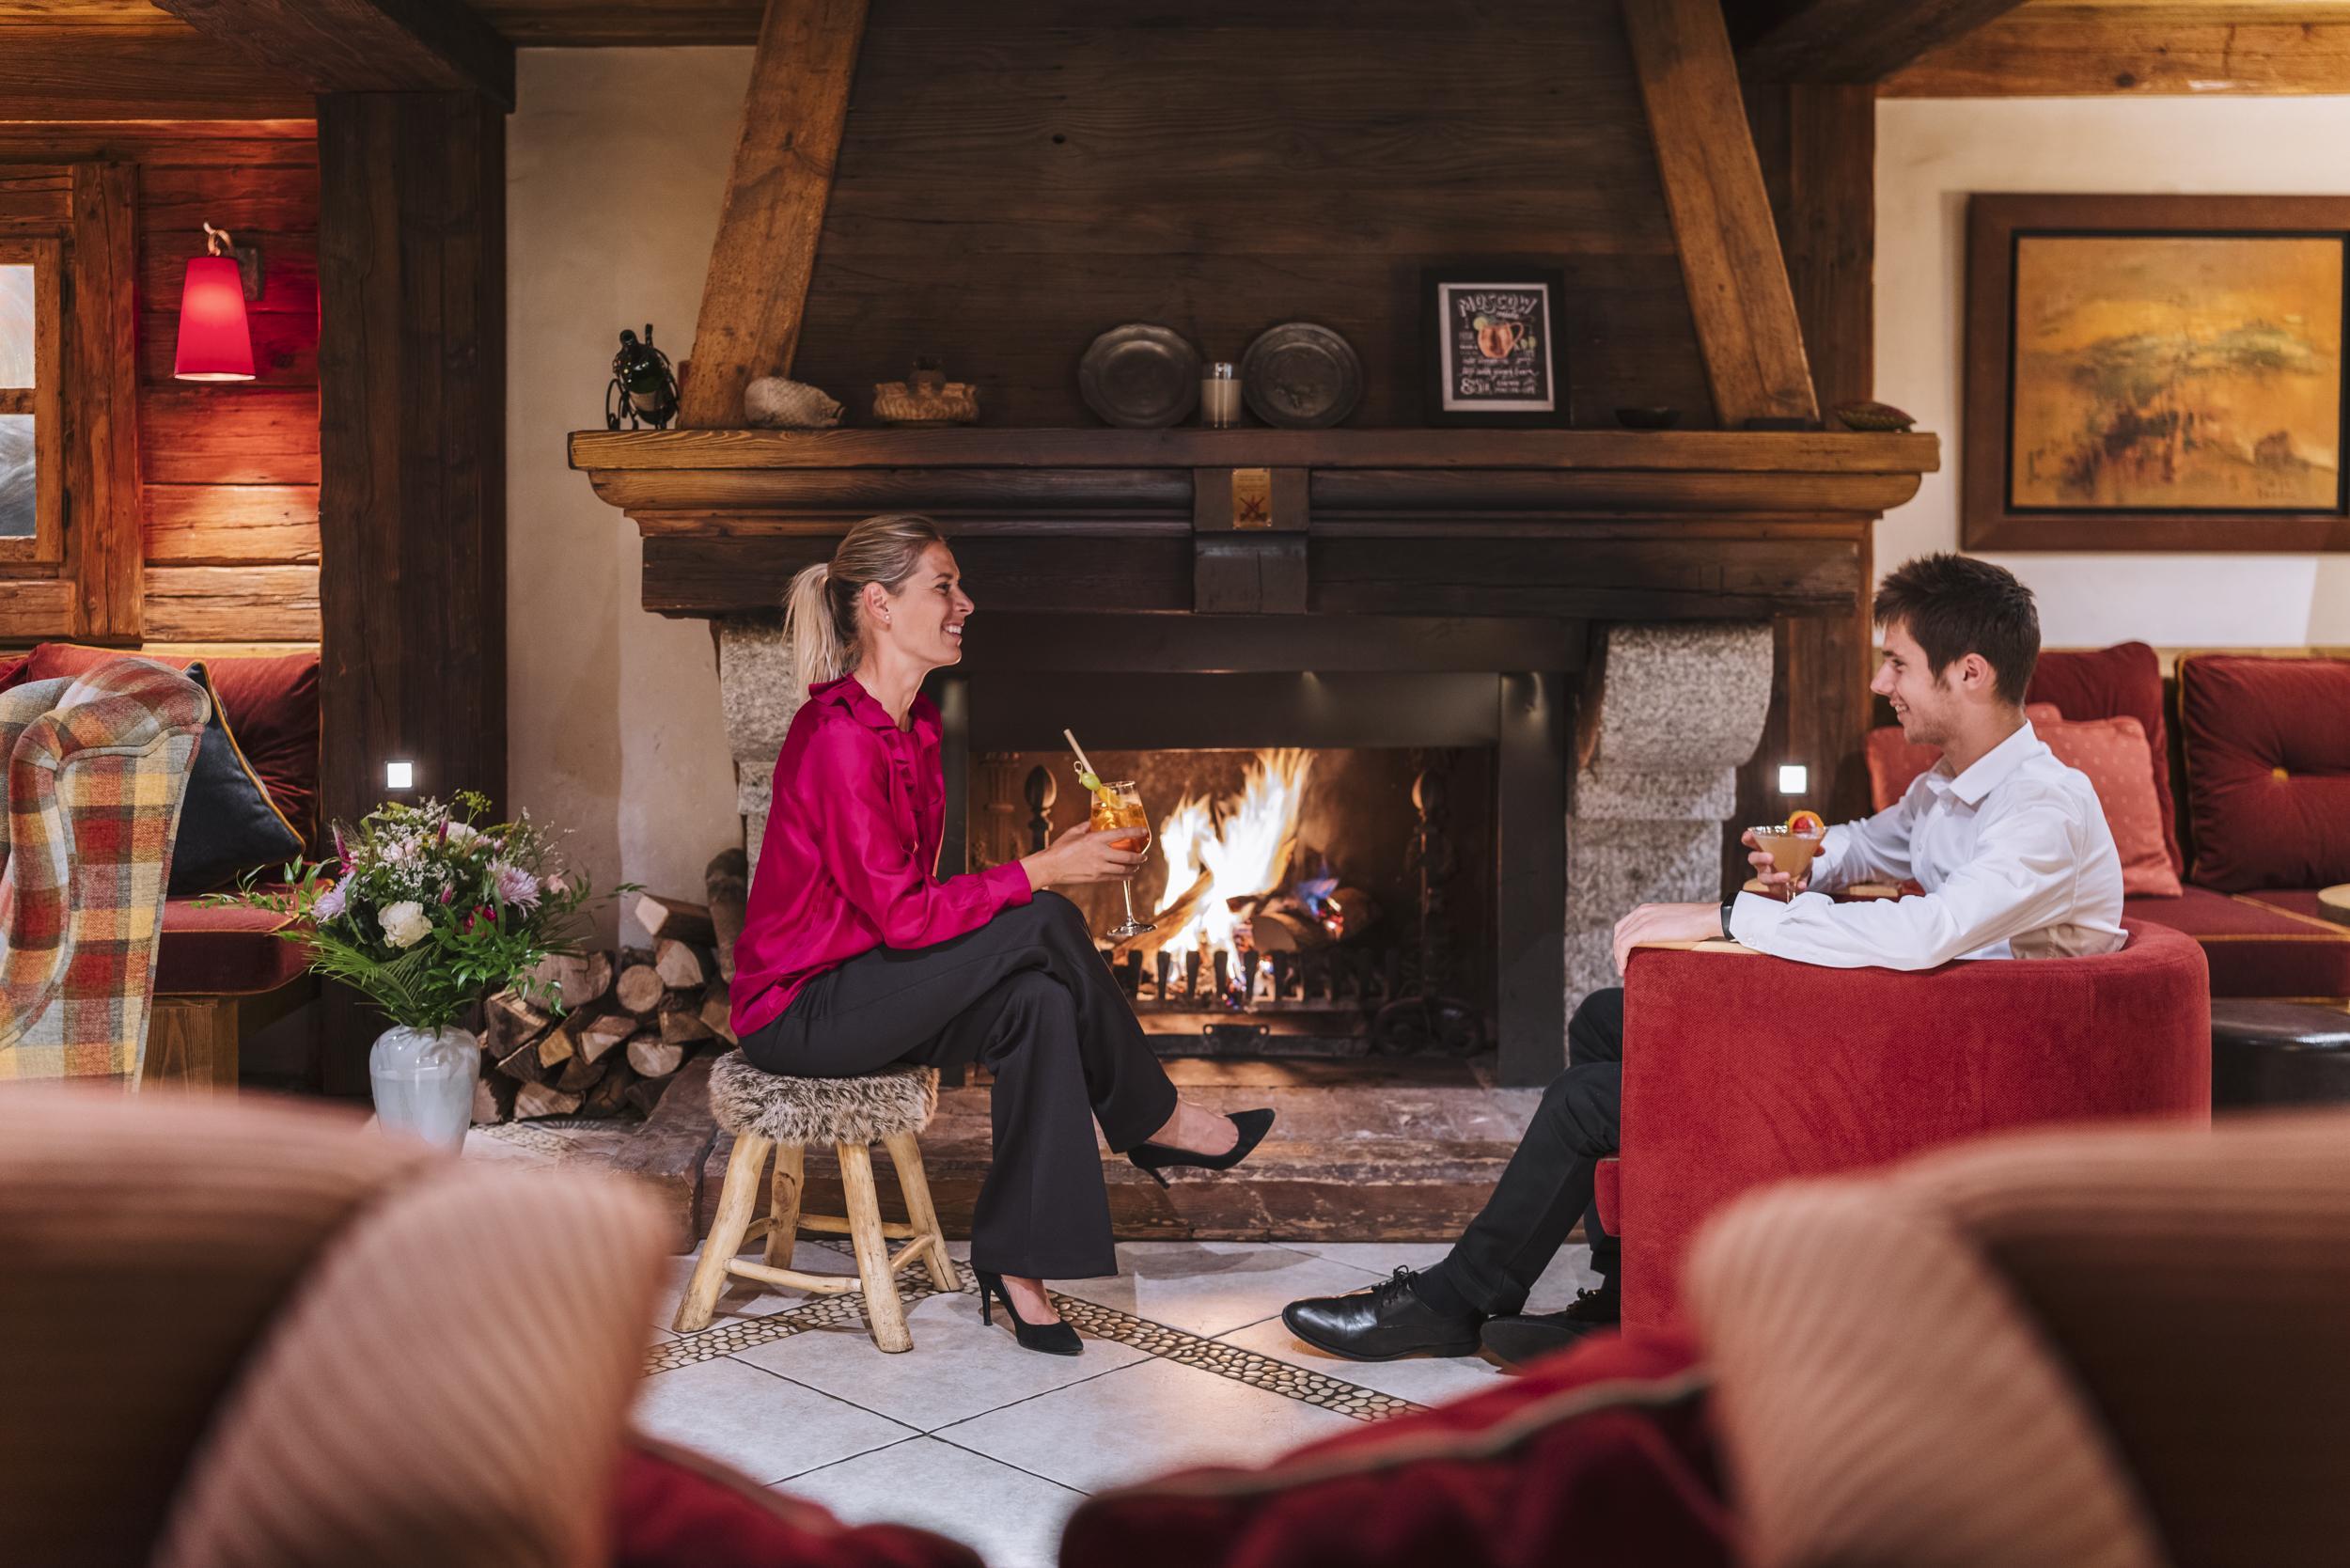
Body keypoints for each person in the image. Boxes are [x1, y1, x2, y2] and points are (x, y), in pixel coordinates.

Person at [1281, 554, 2125, 1369]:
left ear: (1969, 673)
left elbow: (1926, 934)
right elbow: (1870, 844)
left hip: (1970, 1079)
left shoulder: (2042, 809)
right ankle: (1622, 1297)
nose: (1880, 684)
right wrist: (1800, 854)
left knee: (1588, 1100)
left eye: (1897, 664)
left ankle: (1452, 1304)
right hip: (1929, 1028)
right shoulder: (1951, 780)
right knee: (1605, 1019)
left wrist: (1730, 917)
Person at [730, 513, 1274, 1356]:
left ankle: (1019, 1268)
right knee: (1049, 912)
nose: (965, 604)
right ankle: (1155, 1119)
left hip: (871, 981)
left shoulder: (915, 729)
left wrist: (1037, 866)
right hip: (801, 1011)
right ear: (878, 604)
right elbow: (906, 918)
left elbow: (911, 906)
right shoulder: (838, 737)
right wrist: (1042, 872)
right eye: (943, 586)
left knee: (1038, 1001)